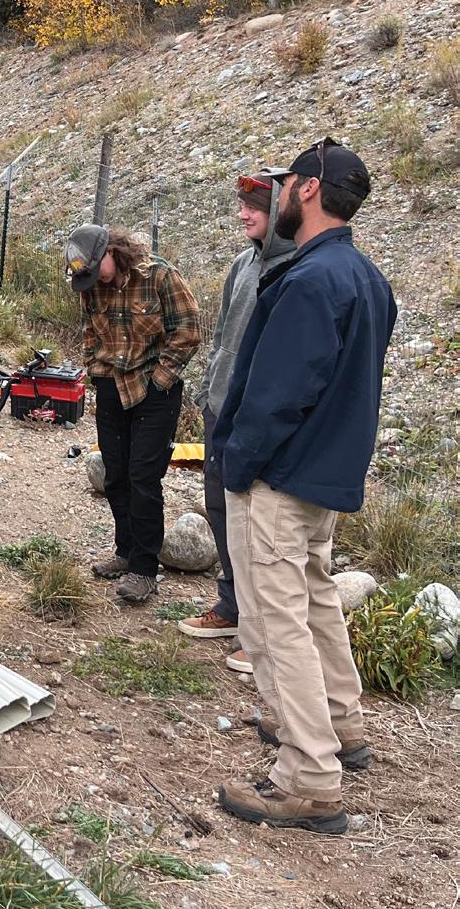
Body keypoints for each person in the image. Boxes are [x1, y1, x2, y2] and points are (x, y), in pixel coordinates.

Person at [214, 138, 396, 835]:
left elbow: (278, 394)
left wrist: (238, 464)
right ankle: (341, 726)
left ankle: (309, 776)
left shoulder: (311, 279)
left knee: (272, 619)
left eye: (285, 181)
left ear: (310, 189)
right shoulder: (366, 277)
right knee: (317, 600)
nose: (278, 193)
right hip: (324, 476)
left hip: (280, 479)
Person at [180, 173, 295, 672]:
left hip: (257, 418)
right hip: (221, 409)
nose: (244, 214)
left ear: (280, 211)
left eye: (255, 207)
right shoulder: (242, 265)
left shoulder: (295, 269)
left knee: (259, 525)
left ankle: (261, 631)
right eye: (242, 205)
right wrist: (209, 392)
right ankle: (231, 607)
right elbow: (223, 336)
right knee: (221, 508)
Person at [65, 224, 201, 604]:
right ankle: (125, 552)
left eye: (97, 270)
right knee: (116, 476)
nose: (95, 280)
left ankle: (144, 569)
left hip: (154, 392)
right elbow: (90, 331)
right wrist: (95, 369)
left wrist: (161, 379)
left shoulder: (160, 276)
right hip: (111, 386)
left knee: (144, 479)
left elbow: (189, 330)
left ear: (112, 251)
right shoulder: (92, 284)